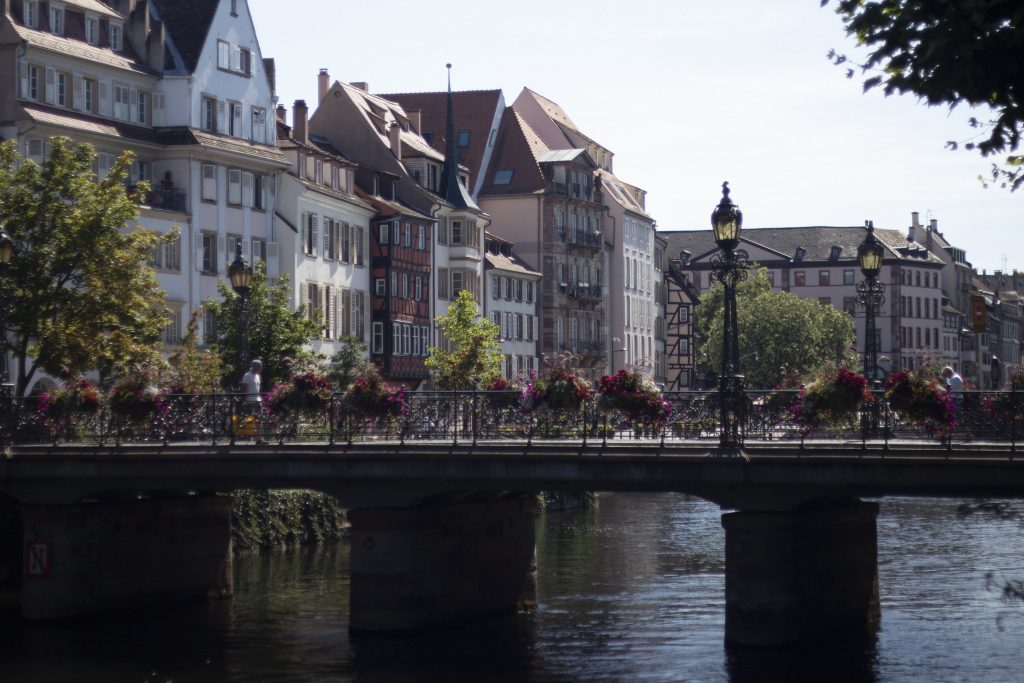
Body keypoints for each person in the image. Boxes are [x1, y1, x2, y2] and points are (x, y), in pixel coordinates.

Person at [240, 359, 267, 444]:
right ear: (254, 367)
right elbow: (244, 388)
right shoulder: (247, 376)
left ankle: (259, 439)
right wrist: (244, 400)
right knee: (249, 420)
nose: (261, 368)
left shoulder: (257, 376)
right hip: (250, 401)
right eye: (259, 366)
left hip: (257, 400)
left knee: (258, 419)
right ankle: (246, 437)